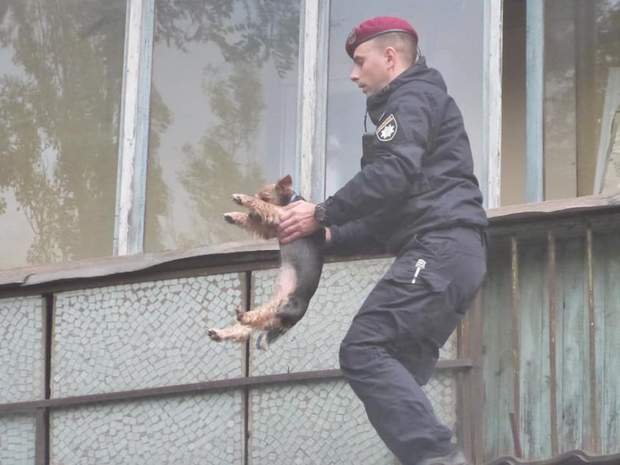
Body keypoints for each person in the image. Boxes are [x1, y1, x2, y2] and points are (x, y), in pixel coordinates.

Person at [278, 16, 487, 465]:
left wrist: (319, 212)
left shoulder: (411, 98)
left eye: (359, 61)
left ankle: (440, 459)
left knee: (364, 348)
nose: (353, 74)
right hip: (451, 254)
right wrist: (329, 234)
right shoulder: (410, 106)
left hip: (440, 246)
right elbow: (386, 216)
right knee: (394, 374)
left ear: (390, 57)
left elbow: (393, 173)